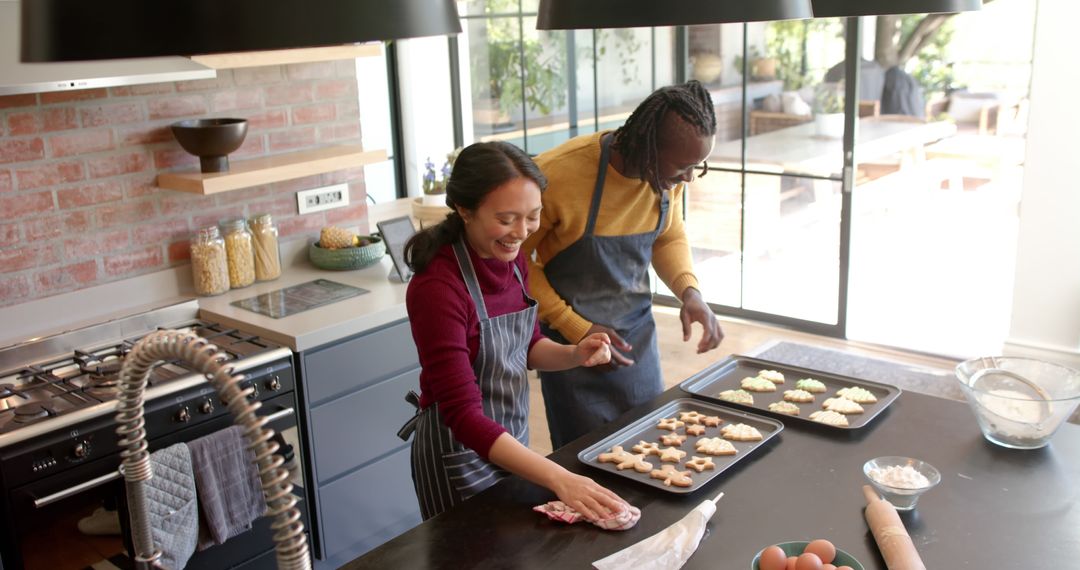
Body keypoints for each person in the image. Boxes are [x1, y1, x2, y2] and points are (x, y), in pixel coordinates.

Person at [399, 141, 630, 522]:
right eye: (506, 220)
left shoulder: (512, 259)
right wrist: (559, 477)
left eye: (533, 216)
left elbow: (528, 345)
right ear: (464, 209)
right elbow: (463, 414)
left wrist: (574, 354)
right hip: (458, 452)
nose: (522, 232)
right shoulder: (438, 289)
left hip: (510, 443)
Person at [522, 80, 725, 450]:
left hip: (635, 340)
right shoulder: (559, 174)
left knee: (649, 447)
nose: (689, 177)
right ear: (649, 149)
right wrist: (576, 327)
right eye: (684, 166)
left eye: (699, 166)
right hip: (572, 347)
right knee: (585, 463)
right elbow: (517, 263)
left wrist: (690, 292)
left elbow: (668, 235)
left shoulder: (667, 175)